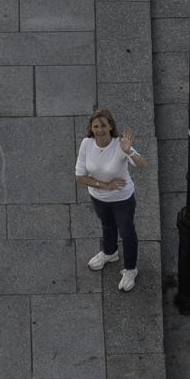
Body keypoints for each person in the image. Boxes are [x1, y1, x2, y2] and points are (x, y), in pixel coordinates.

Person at [74, 107, 146, 291]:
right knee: (107, 225)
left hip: (122, 199)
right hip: (98, 197)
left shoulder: (120, 145)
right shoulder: (86, 144)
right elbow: (80, 176)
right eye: (96, 126)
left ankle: (130, 269)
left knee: (127, 232)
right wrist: (104, 185)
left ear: (110, 126)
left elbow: (142, 164)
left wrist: (129, 151)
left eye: (103, 126)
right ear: (91, 128)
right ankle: (110, 252)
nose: (99, 130)